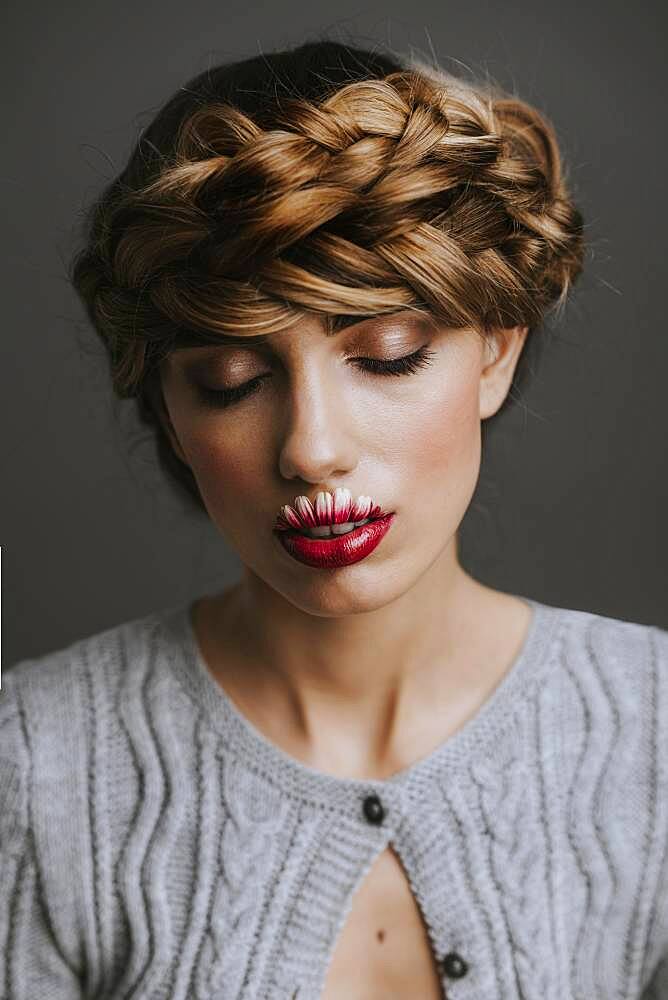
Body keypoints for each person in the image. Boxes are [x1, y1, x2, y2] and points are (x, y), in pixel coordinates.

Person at [1, 37, 666, 1000]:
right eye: (231, 380)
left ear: (495, 352)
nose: (311, 448)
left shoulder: (650, 733)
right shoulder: (34, 760)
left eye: (387, 354)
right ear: (173, 417)